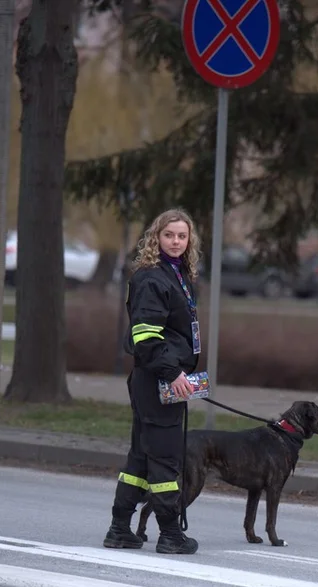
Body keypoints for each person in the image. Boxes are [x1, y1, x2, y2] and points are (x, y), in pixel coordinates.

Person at [103, 208, 202, 554]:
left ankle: (119, 528)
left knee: (142, 459)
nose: (176, 242)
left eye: (182, 236)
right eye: (169, 235)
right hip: (158, 380)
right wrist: (172, 372)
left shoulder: (176, 275)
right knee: (164, 459)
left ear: (189, 241)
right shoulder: (152, 278)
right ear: (155, 238)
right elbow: (145, 336)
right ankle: (170, 534)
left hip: (161, 378)